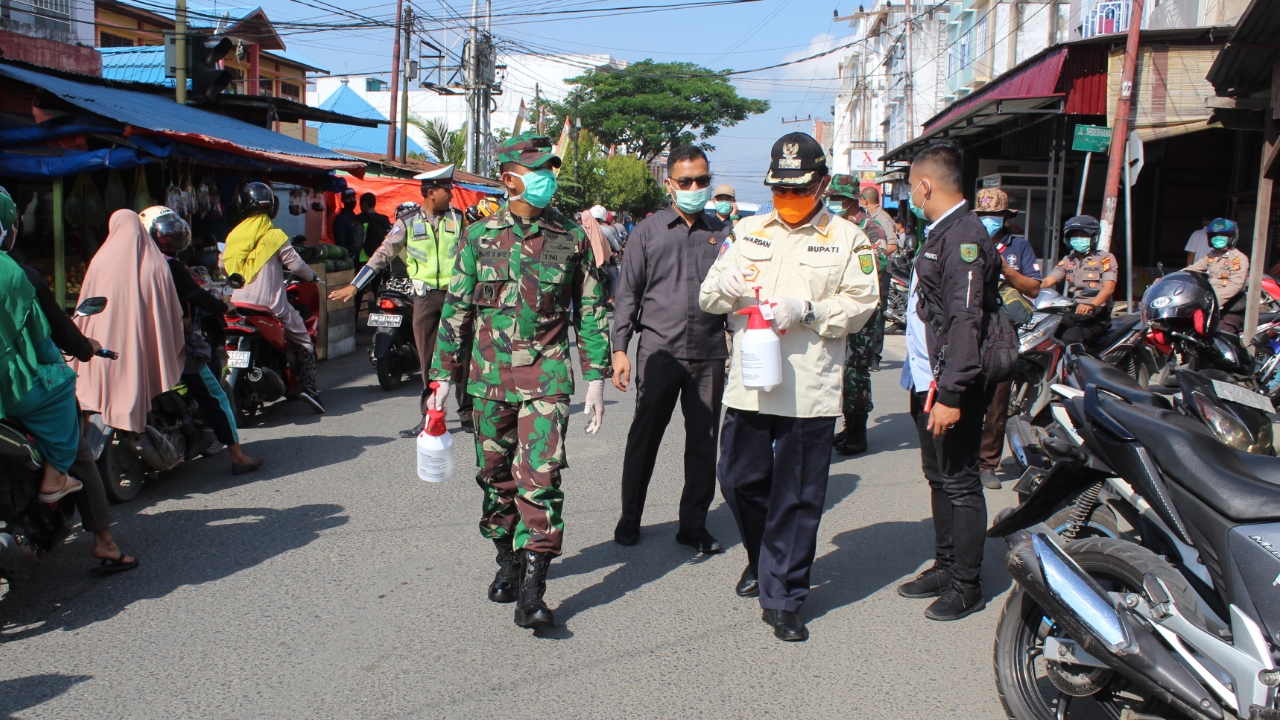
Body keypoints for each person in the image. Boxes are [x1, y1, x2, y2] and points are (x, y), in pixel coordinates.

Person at [427, 134, 611, 630]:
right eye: (537, 169)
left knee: (541, 478)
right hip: (486, 382)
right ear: (509, 178)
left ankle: (533, 588)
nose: (547, 178)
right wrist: (441, 375)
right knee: (495, 477)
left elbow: (590, 312)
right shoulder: (478, 237)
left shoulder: (571, 238)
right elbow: (457, 310)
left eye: (550, 169)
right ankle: (506, 559)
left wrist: (595, 376)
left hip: (547, 379)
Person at [700, 133, 879, 642]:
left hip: (809, 383)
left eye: (797, 190)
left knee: (798, 495)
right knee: (737, 479)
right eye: (779, 190)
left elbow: (862, 305)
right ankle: (761, 558)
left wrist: (809, 310)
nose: (787, 200)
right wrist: (726, 291)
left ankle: (784, 595)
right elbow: (709, 294)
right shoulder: (749, 229)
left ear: (822, 184)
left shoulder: (847, 238)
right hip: (752, 381)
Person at [0, 190, 138, 572]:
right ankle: (103, 540)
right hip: (18, 391)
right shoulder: (20, 277)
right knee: (78, 452)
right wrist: (84, 346)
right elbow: (60, 333)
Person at [895, 141, 999, 622]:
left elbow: (965, 322)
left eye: (911, 186)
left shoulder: (964, 237)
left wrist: (953, 394)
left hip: (951, 385)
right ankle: (946, 563)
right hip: (927, 379)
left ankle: (967, 583)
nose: (910, 195)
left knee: (959, 482)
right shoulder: (940, 232)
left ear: (925, 185)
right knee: (938, 477)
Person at [611, 145, 733, 552]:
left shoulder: (723, 234)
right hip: (659, 352)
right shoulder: (646, 233)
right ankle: (631, 517)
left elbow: (737, 295)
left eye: (702, 180)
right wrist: (621, 348)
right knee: (644, 437)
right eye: (686, 181)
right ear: (669, 184)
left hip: (710, 352)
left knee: (703, 440)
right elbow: (627, 293)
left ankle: (693, 524)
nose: (695, 188)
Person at [329, 166, 473, 437]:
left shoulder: (458, 219)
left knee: (462, 356)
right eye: (447, 190)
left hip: (456, 299)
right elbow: (382, 254)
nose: (452, 194)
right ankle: (428, 415)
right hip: (424, 299)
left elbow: (473, 255)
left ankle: (467, 414)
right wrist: (354, 285)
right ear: (432, 193)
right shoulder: (407, 222)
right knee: (427, 360)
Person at [139, 206, 264, 475]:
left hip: (139, 346)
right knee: (216, 396)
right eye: (164, 237)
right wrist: (224, 307)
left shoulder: (131, 265)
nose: (171, 242)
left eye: (173, 235)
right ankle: (238, 457)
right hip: (175, 345)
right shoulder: (169, 265)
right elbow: (196, 296)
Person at [223, 182, 324, 413]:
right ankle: (309, 388)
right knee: (304, 339)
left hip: (238, 304)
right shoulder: (275, 236)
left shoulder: (234, 236)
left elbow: (223, 265)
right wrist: (312, 276)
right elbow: (296, 265)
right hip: (270, 306)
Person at [973, 188, 1040, 489]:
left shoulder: (1019, 246)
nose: (989, 221)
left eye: (995, 216)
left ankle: (988, 463)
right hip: (971, 325)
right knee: (964, 393)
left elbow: (1033, 288)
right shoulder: (967, 241)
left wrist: (1006, 270)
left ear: (1005, 217)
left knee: (997, 401)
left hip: (1003, 330)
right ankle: (963, 458)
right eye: (984, 216)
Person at [824, 174, 888, 456]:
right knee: (838, 369)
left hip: (862, 312)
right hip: (836, 309)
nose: (834, 203)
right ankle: (848, 427)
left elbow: (879, 263)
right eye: (832, 198)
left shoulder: (870, 229)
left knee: (855, 371)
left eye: (839, 198)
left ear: (854, 200)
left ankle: (858, 433)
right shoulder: (831, 227)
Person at [1042, 215, 1116, 346]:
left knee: (1071, 337)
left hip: (1097, 314)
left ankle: (1078, 366)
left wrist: (1091, 305)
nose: (1079, 239)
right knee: (1046, 331)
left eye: (1084, 235)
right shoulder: (1067, 260)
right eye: (1075, 235)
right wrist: (1024, 285)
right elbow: (1047, 281)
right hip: (1074, 311)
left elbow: (1108, 288)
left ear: (1094, 237)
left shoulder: (1105, 258)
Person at [1185, 217, 1248, 335]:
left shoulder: (1238, 258)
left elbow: (1235, 285)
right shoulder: (1212, 256)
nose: (1218, 238)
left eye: (1223, 235)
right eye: (1215, 235)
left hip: (1230, 308)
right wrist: (1168, 278)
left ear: (1231, 237)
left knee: (1218, 340)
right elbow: (1193, 269)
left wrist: (1212, 301)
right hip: (1211, 305)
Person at [357, 192, 391, 263]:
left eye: (360, 205)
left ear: (364, 205)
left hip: (364, 259)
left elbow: (358, 242)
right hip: (381, 259)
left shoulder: (360, 220)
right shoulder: (384, 219)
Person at [331, 187, 364, 260]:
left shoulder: (355, 217)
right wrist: (346, 257)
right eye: (349, 198)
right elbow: (340, 242)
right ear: (343, 200)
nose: (352, 200)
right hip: (347, 258)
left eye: (353, 197)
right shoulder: (341, 219)